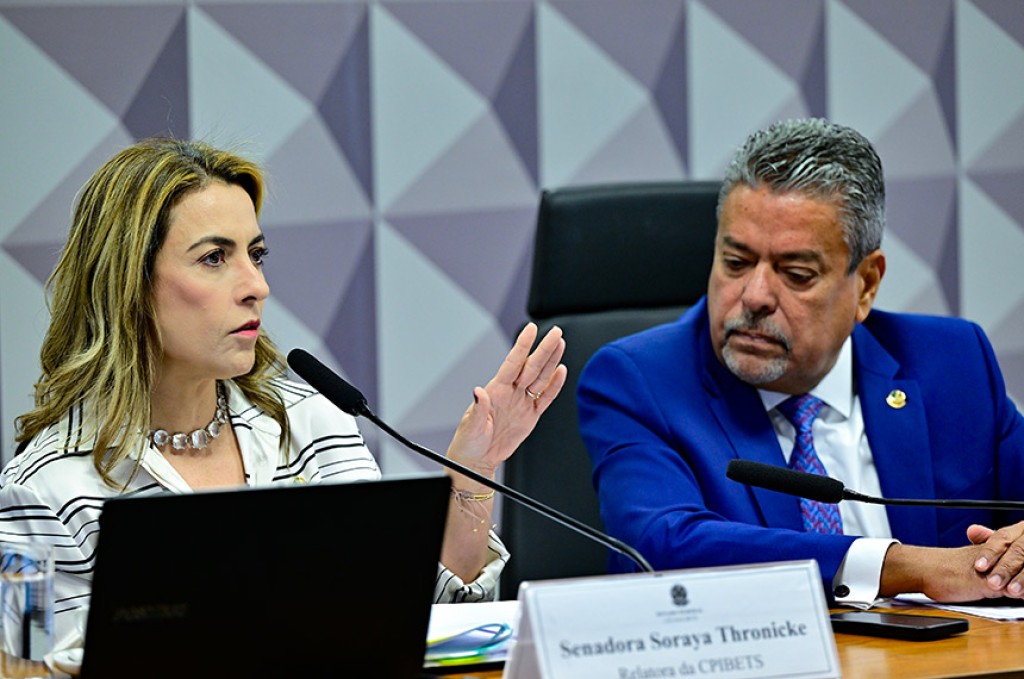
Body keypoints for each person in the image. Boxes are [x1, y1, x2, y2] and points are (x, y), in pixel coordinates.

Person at [0, 138, 567, 642]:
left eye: (256, 254)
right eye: (214, 258)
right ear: (128, 283)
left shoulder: (313, 426)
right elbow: (30, 666)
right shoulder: (40, 493)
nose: (257, 286)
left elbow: (424, 622)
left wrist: (472, 471)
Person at [578, 118, 1024, 608]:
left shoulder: (952, 362)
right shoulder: (640, 382)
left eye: (795, 274)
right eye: (735, 263)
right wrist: (912, 567)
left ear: (866, 285)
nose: (755, 296)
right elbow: (665, 545)